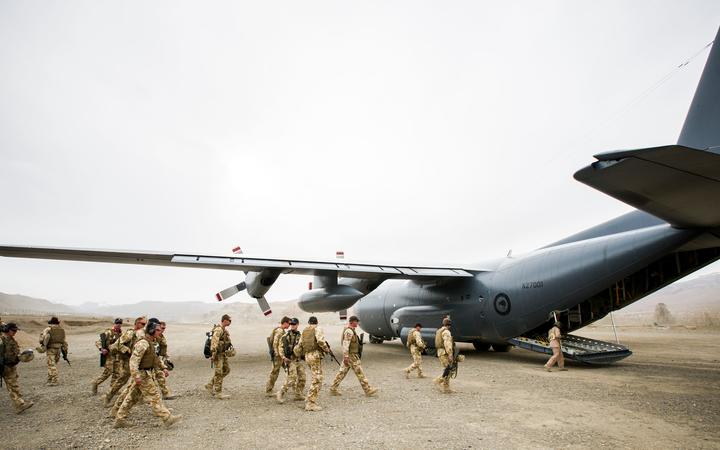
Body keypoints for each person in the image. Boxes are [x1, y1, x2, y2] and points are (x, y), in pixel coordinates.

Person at [113, 321, 182, 429]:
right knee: (154, 396)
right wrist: (136, 376)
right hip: (142, 374)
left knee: (132, 398)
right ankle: (167, 418)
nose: (160, 332)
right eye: (158, 330)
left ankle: (119, 419)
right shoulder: (143, 344)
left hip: (145, 373)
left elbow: (155, 358)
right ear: (151, 331)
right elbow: (133, 361)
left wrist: (163, 368)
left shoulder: (151, 342)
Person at [329, 316, 378, 397]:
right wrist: (346, 356)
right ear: (352, 322)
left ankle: (333, 388)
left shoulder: (351, 330)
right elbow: (346, 344)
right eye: (356, 321)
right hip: (351, 356)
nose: (357, 323)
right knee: (360, 373)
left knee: (342, 372)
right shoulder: (349, 331)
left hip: (350, 355)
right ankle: (368, 390)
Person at [103, 316, 146, 406]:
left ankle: (141, 399)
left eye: (145, 324)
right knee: (122, 380)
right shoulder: (130, 333)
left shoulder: (140, 334)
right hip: (127, 361)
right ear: (137, 323)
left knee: (141, 378)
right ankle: (108, 397)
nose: (144, 326)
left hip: (136, 360)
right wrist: (126, 350)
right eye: (142, 324)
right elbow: (117, 344)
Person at [293, 316, 330, 411]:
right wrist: (326, 349)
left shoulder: (305, 331)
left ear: (309, 323)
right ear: (317, 322)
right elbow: (321, 341)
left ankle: (309, 398)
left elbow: (299, 345)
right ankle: (310, 403)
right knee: (317, 378)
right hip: (314, 355)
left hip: (307, 356)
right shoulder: (317, 329)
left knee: (315, 377)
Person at [0, 323, 34, 414]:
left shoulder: (10, 339)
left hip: (10, 366)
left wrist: (22, 356)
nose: (15, 332)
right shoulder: (2, 339)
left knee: (13, 386)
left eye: (16, 331)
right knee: (12, 386)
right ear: (8, 330)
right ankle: (20, 405)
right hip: (5, 366)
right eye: (13, 330)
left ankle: (20, 404)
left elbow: (14, 352)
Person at [275, 317, 306, 403]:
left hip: (298, 360)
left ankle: (298, 394)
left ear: (297, 325)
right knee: (292, 379)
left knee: (303, 377)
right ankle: (280, 392)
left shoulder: (300, 336)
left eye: (294, 324)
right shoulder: (285, 336)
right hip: (290, 360)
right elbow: (280, 347)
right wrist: (283, 357)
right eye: (291, 324)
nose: (292, 326)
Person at [91, 318, 123, 395]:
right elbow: (98, 342)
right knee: (107, 373)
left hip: (117, 356)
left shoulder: (121, 334)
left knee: (117, 373)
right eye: (117, 323)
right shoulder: (108, 332)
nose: (118, 324)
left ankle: (113, 389)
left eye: (120, 323)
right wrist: (101, 349)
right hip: (109, 356)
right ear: (114, 323)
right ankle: (95, 383)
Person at [205, 314, 233, 399]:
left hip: (222, 354)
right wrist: (213, 354)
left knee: (226, 370)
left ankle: (210, 385)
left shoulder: (224, 330)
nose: (230, 322)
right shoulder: (218, 329)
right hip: (217, 354)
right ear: (224, 320)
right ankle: (218, 392)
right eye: (229, 320)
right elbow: (214, 342)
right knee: (219, 373)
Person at [265, 316, 291, 396]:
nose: (289, 325)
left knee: (289, 370)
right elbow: (275, 344)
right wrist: (278, 355)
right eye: (289, 323)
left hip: (281, 355)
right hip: (278, 356)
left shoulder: (280, 330)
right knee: (274, 372)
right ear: (285, 322)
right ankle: (269, 390)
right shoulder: (279, 331)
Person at [39, 316, 68, 386]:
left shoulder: (48, 329)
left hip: (51, 349)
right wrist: (65, 351)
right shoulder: (61, 330)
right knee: (52, 364)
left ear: (51, 323)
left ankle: (55, 380)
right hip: (58, 349)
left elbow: (43, 338)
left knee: (51, 365)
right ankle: (50, 379)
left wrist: (43, 345)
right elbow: (64, 341)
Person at [434, 317, 455, 393]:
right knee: (448, 369)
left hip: (440, 352)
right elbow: (447, 344)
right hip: (444, 353)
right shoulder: (446, 332)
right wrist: (450, 354)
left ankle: (446, 387)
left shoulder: (439, 330)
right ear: (449, 325)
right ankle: (438, 381)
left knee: (447, 369)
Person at [155, 321, 176, 400]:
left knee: (160, 376)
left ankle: (165, 393)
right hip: (154, 359)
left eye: (164, 328)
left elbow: (162, 349)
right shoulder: (154, 337)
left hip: (158, 359)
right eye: (162, 328)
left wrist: (167, 358)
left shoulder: (161, 337)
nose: (163, 330)